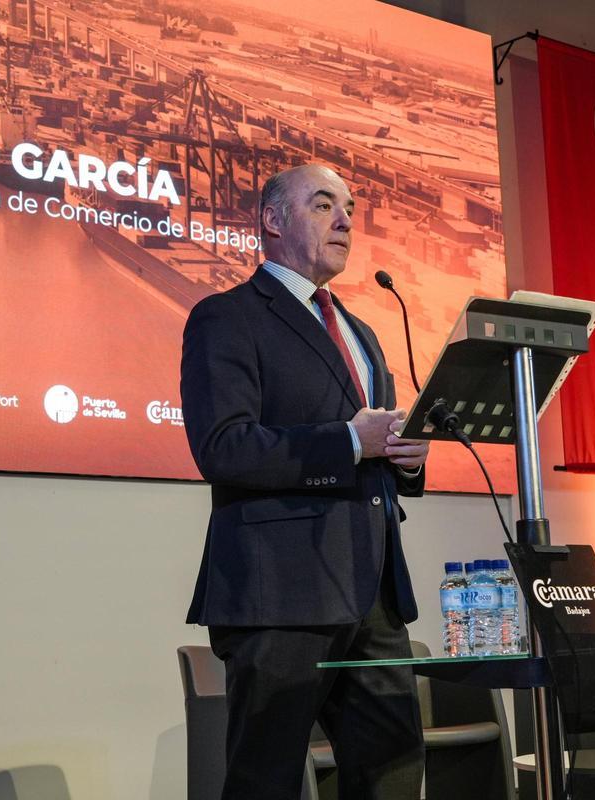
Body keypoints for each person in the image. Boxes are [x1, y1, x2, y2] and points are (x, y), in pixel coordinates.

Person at [180, 163, 431, 800]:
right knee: (265, 784)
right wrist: (350, 441)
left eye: (349, 209)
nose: (344, 221)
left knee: (395, 780)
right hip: (281, 597)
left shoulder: (362, 332)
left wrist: (405, 457)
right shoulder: (226, 317)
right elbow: (223, 448)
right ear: (272, 220)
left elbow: (373, 451)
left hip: (373, 596)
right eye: (323, 205)